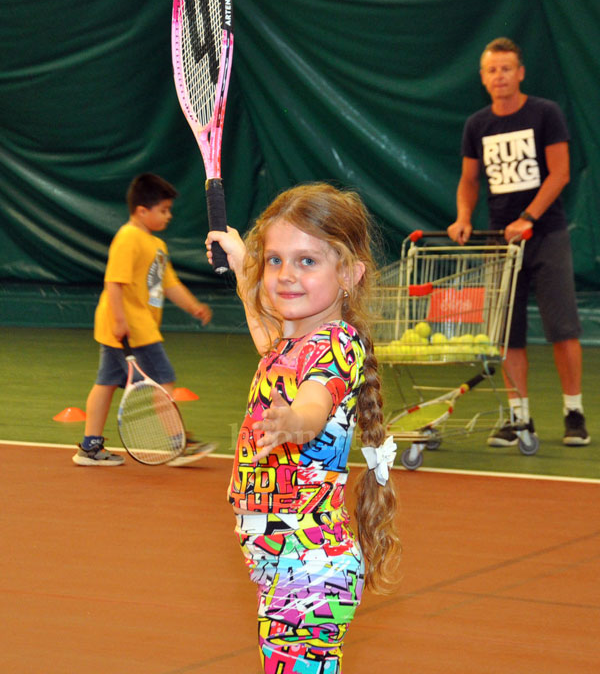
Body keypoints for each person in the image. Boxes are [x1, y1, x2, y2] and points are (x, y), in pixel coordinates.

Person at [206, 182, 401, 673]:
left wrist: (296, 421)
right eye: (275, 260)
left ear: (350, 274)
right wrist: (241, 265)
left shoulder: (336, 345)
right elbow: (265, 334)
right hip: (281, 553)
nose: (286, 275)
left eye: (307, 261)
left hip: (310, 565)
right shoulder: (293, 341)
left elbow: (316, 398)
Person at [448, 37, 589, 447]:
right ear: (483, 78)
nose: (499, 77)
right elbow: (469, 180)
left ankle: (573, 413)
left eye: (506, 69)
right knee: (508, 335)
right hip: (500, 244)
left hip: (547, 237)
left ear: (520, 72)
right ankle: (518, 419)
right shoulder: (477, 124)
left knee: (563, 328)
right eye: (492, 70)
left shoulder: (545, 113)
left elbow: (560, 173)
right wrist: (462, 217)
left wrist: (529, 218)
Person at [73, 173, 215, 466]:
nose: (169, 215)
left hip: (131, 328)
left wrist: (194, 306)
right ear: (141, 211)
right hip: (131, 329)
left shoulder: (158, 246)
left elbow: (170, 284)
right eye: (163, 210)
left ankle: (89, 447)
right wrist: (120, 320)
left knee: (106, 383)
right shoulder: (128, 238)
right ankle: (179, 445)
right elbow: (114, 282)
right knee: (164, 381)